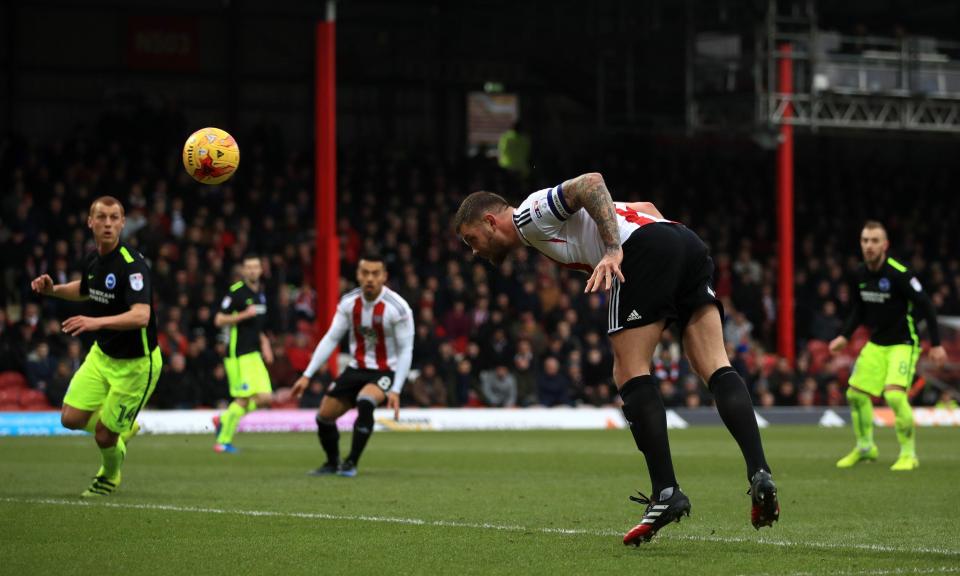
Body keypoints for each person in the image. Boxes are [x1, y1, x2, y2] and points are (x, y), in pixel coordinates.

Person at [453, 172, 778, 544]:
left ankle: (666, 493)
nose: (474, 251)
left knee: (628, 371)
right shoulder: (538, 231)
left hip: (642, 249)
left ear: (490, 221)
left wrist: (612, 248)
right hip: (684, 241)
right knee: (715, 366)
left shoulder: (528, 215)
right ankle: (760, 472)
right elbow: (647, 209)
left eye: (471, 239)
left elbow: (591, 182)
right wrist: (660, 247)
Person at [30, 196, 162, 497]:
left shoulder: (134, 266)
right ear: (90, 222)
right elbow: (85, 289)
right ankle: (121, 430)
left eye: (114, 218)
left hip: (136, 365)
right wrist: (53, 291)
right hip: (103, 356)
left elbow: (142, 316)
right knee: (70, 418)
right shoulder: (92, 258)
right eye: (101, 217)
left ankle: (110, 474)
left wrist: (94, 323)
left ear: (123, 222)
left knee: (103, 435)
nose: (108, 223)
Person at [829, 221, 948, 471]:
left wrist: (936, 344)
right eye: (865, 240)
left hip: (903, 343)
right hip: (877, 343)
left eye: (874, 241)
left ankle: (908, 454)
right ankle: (865, 447)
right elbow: (858, 310)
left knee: (894, 395)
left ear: (885, 245)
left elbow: (926, 305)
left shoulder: (899, 273)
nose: (869, 246)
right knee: (855, 394)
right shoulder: (860, 273)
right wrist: (844, 336)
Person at [291, 255, 414, 477]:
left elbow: (406, 350)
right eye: (365, 273)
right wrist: (307, 374)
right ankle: (332, 462)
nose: (369, 278)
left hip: (386, 370)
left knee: (365, 401)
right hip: (356, 367)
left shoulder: (398, 308)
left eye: (375, 273)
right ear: (358, 275)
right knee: (324, 417)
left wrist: (396, 389)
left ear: (384, 277)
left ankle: (351, 462)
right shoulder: (349, 303)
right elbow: (331, 338)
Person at [212, 254, 274, 453]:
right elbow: (219, 320)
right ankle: (222, 441)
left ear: (261, 270)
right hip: (238, 354)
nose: (253, 270)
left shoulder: (261, 294)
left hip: (254, 353)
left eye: (256, 267)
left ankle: (224, 418)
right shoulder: (236, 292)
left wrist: (265, 343)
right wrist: (243, 315)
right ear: (244, 271)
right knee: (243, 399)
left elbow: (257, 326)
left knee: (266, 397)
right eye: (249, 267)